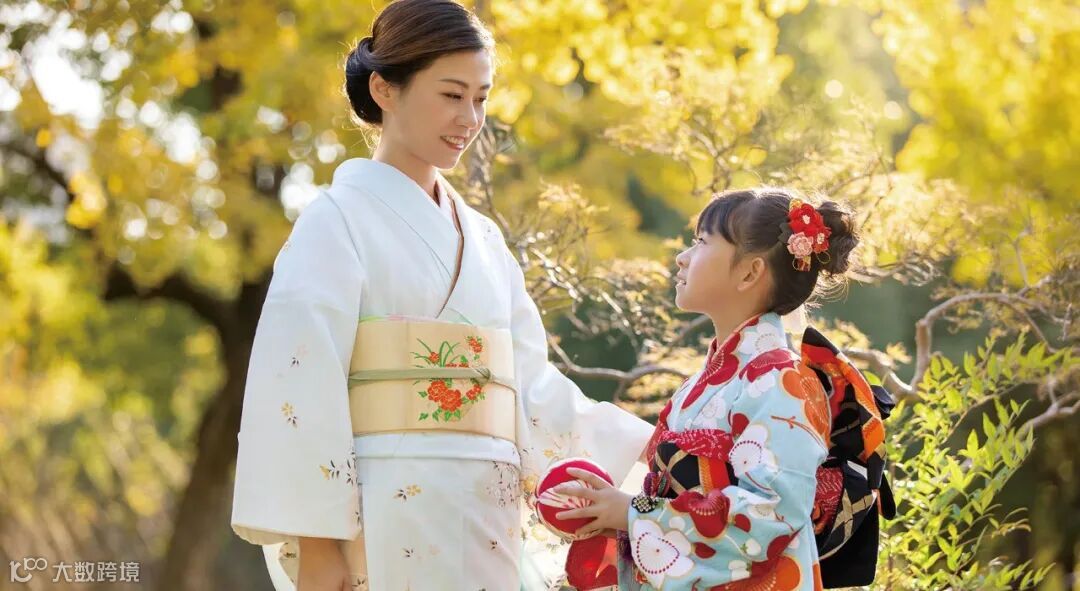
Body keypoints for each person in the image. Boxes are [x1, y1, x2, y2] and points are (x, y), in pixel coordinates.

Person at [229, 1, 653, 589]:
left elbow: (529, 384)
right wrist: (319, 544)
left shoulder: (484, 239)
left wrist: (653, 447)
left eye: (481, 98)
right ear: (384, 89)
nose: (470, 118)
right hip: (384, 509)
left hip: (487, 512)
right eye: (452, 95)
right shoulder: (336, 220)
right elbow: (300, 382)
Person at [554, 187, 886, 590]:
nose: (682, 257)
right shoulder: (710, 381)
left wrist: (632, 513)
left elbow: (769, 517)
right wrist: (612, 513)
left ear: (750, 273)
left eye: (701, 242)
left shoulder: (782, 381)